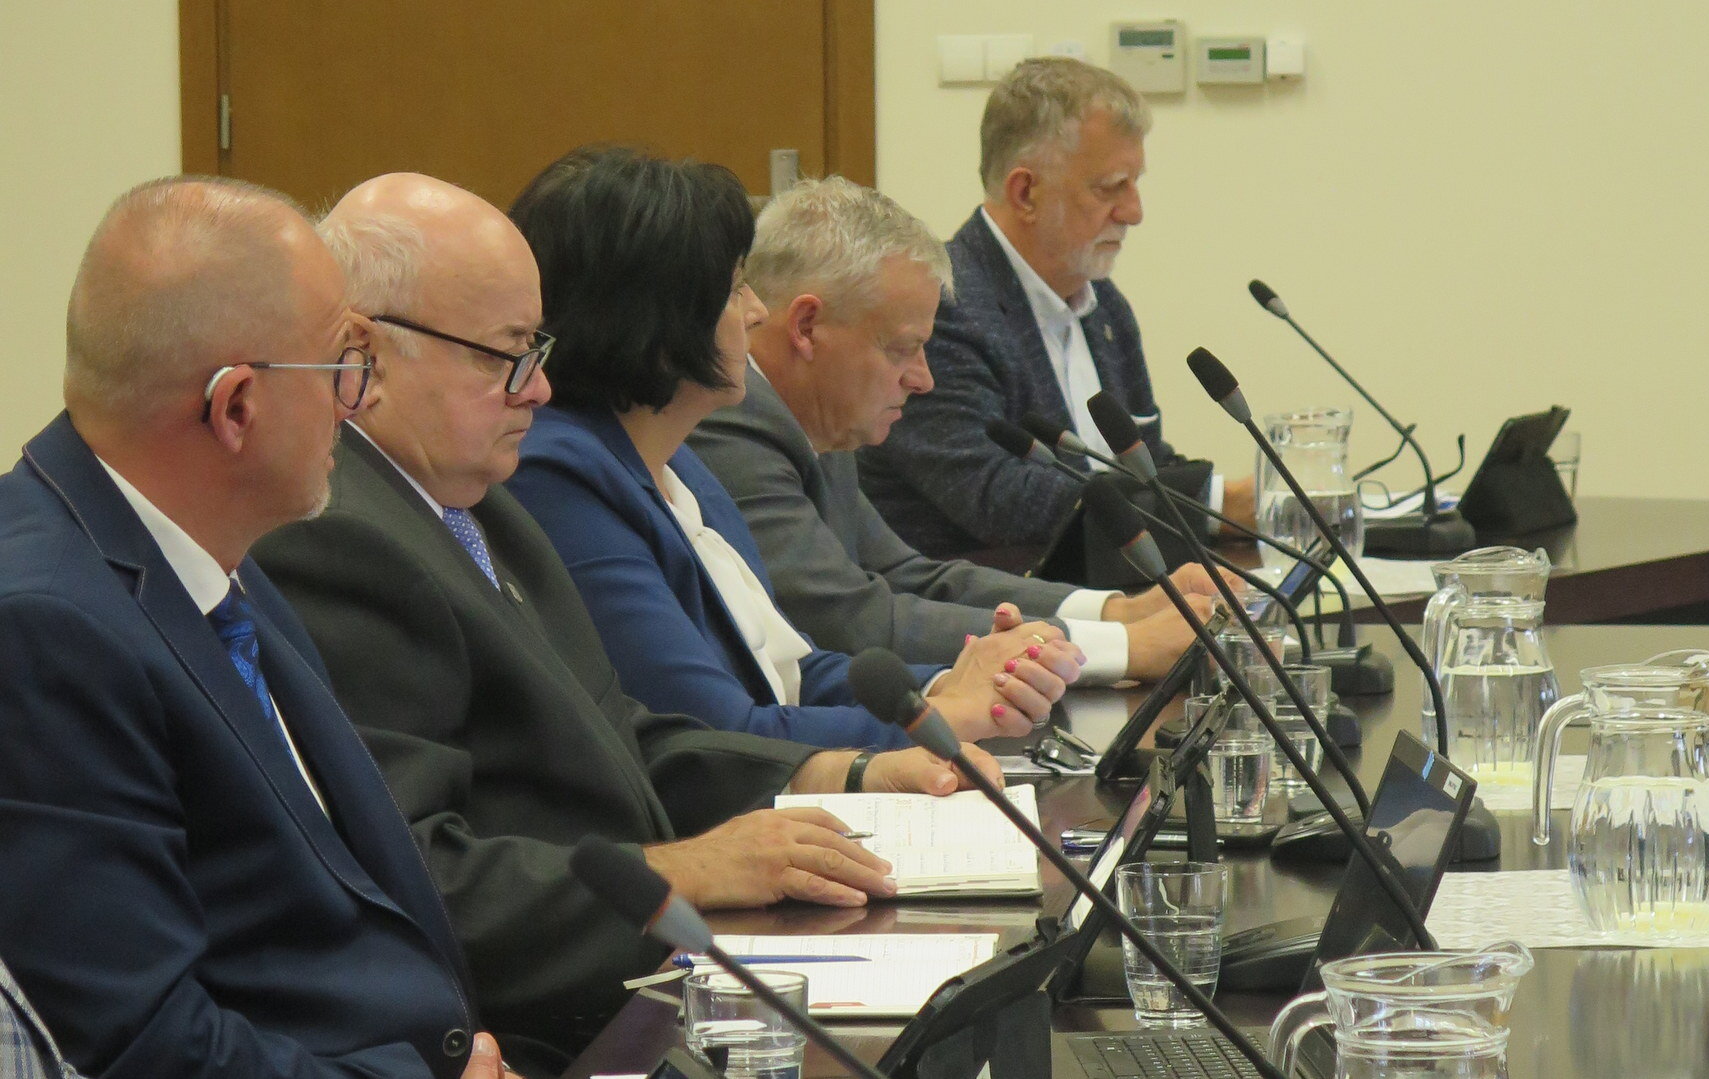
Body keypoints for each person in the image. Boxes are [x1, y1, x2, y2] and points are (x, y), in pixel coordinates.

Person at [252, 172, 1007, 1067]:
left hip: (643, 971)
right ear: (368, 355)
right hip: (545, 1028)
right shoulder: (344, 540)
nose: (539, 389)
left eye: (538, 350)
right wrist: (683, 867)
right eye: (507, 355)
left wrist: (841, 769)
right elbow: (418, 870)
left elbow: (619, 733)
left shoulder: (477, 505)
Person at [0, 177, 514, 1078]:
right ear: (235, 406)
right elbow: (144, 1045)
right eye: (344, 363)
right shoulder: (43, 630)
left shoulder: (210, 554)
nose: (356, 402)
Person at [502, 149, 1082, 750]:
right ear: (656, 319)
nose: (757, 311)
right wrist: (949, 716)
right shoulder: (561, 476)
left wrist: (945, 685)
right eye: (735, 290)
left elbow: (791, 671)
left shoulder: (679, 465)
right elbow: (720, 735)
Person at [690, 176, 1224, 681]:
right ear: (807, 327)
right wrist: (1124, 648)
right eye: (902, 349)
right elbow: (856, 622)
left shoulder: (816, 410)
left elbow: (911, 576)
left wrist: (1117, 611)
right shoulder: (732, 423)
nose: (923, 379)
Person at [857, 57, 1256, 559]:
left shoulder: (1105, 309)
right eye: (1111, 187)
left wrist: (1240, 503)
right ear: (1026, 193)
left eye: (1135, 183)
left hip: (1117, 590)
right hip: (987, 598)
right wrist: (1216, 503)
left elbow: (1145, 465)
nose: (1134, 212)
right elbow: (998, 498)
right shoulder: (941, 306)